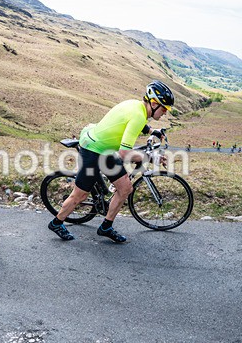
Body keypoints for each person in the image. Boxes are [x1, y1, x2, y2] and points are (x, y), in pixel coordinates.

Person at [48, 80, 174, 243]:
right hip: (94, 150)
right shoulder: (138, 115)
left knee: (125, 188)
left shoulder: (137, 106)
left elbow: (133, 122)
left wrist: (152, 131)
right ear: (154, 103)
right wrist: (151, 158)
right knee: (80, 195)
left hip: (104, 149)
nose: (165, 113)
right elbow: (124, 153)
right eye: (164, 109)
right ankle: (57, 223)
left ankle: (106, 227)